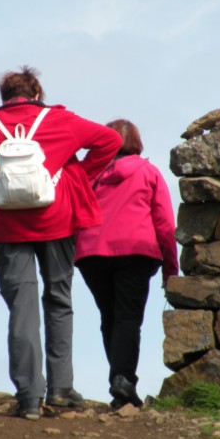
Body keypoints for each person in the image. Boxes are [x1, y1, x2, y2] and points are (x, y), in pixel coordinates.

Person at [0, 66, 122, 420]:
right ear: (36, 94)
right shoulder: (59, 120)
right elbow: (111, 141)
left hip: (5, 226)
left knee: (22, 307)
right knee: (59, 299)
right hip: (58, 220)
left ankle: (29, 397)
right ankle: (61, 390)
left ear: (3, 99)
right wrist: (76, 177)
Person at [74, 119, 178, 409]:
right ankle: (123, 381)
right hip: (136, 252)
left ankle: (120, 380)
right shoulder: (148, 172)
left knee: (110, 317)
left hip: (91, 254)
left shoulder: (88, 176)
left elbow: (74, 215)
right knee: (128, 318)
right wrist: (171, 270)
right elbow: (165, 225)